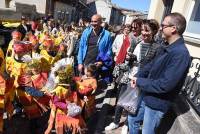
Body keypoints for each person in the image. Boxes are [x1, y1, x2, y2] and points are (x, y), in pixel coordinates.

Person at [128, 12, 191, 134]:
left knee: (147, 131)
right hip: (147, 94)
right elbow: (150, 66)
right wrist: (137, 76)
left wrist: (140, 81)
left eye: (163, 25)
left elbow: (165, 85)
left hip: (157, 103)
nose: (161, 28)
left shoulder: (180, 54)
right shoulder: (165, 45)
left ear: (174, 28)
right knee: (132, 120)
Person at [106, 19, 160, 134]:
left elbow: (151, 67)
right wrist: (127, 61)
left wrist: (138, 62)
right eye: (143, 30)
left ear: (154, 32)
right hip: (129, 75)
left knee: (132, 104)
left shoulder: (156, 47)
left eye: (147, 30)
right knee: (121, 101)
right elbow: (129, 60)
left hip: (140, 80)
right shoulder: (137, 42)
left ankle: (126, 125)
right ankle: (115, 122)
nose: (144, 33)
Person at [77, 14, 113, 83]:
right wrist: (80, 63)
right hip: (85, 63)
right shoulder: (86, 32)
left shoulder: (107, 35)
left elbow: (109, 51)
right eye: (92, 21)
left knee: (92, 86)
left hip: (95, 66)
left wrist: (102, 62)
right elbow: (81, 48)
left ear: (100, 22)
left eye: (95, 21)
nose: (93, 23)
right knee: (81, 85)